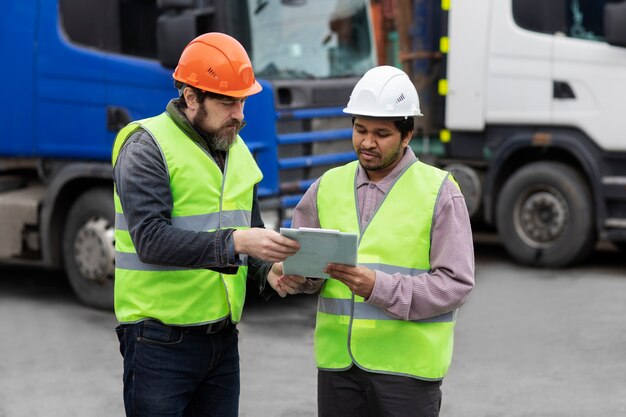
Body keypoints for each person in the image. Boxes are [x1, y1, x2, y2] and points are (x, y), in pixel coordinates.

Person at [111, 32, 300, 417]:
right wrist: (238, 243)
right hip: (159, 342)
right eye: (227, 102)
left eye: (243, 100)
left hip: (222, 341)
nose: (240, 114)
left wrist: (270, 273)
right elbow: (151, 240)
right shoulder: (146, 146)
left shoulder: (236, 147)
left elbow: (251, 232)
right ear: (191, 96)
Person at [279, 65, 475, 417]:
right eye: (360, 129)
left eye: (381, 133)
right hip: (339, 368)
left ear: (407, 134)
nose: (367, 142)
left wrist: (378, 287)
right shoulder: (326, 187)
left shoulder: (439, 192)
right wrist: (296, 277)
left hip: (407, 373)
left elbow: (456, 284)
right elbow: (308, 269)